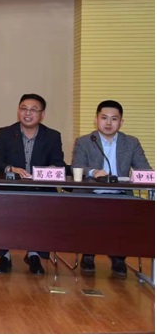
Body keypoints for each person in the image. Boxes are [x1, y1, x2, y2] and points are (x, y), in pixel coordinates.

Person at [71, 100, 152, 278]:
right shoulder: (84, 141)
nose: (108, 123)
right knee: (90, 211)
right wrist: (93, 172)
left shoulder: (131, 142)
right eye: (104, 118)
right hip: (91, 194)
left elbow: (144, 169)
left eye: (114, 119)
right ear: (96, 120)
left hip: (121, 194)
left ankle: (119, 257)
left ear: (121, 122)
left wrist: (145, 175)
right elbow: (77, 166)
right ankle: (88, 254)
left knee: (134, 212)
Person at [0, 93, 66, 275]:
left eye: (33, 110)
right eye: (24, 108)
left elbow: (59, 163)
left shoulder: (52, 136)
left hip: (40, 189)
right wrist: (11, 168)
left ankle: (34, 254)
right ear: (18, 111)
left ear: (42, 114)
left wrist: (48, 170)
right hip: (10, 188)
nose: (28, 113)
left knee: (47, 205)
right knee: (1, 203)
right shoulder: (5, 133)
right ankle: (4, 255)